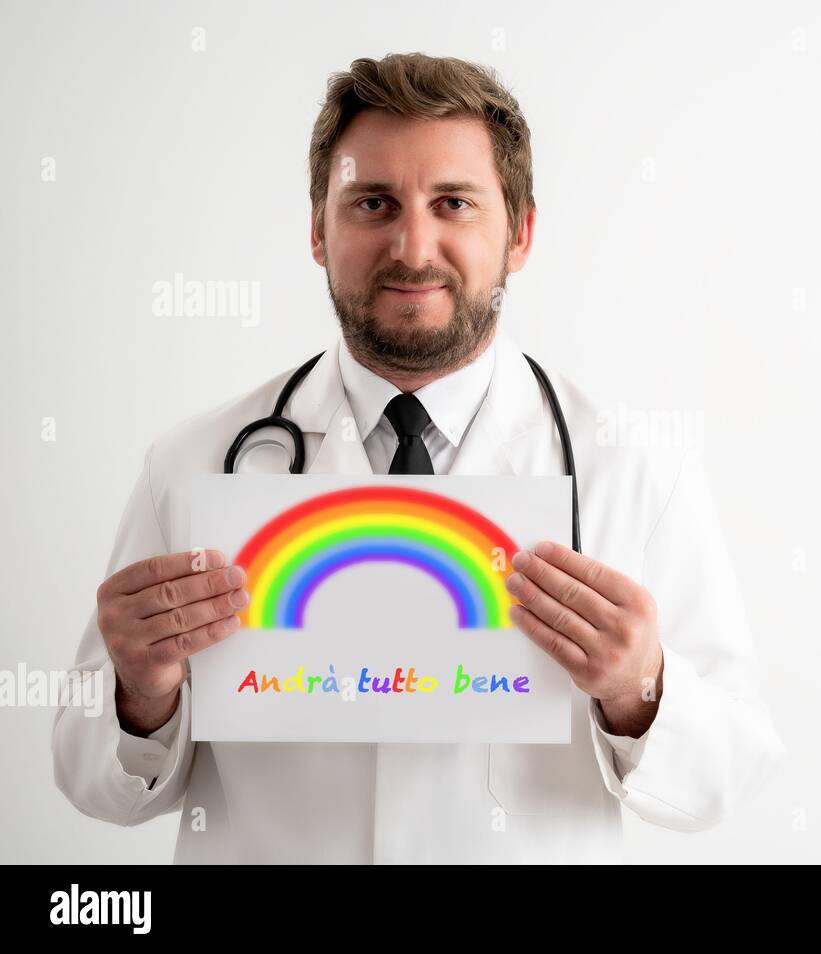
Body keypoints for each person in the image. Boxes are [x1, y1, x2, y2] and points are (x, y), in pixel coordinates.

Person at [51, 53, 784, 863]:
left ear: (521, 233)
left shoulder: (636, 472)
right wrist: (137, 697)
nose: (412, 247)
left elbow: (731, 772)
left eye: (454, 204)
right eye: (373, 203)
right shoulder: (191, 464)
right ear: (317, 233)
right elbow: (91, 784)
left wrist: (641, 688)